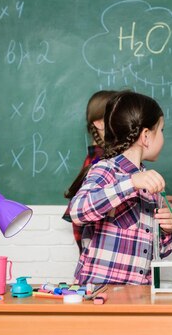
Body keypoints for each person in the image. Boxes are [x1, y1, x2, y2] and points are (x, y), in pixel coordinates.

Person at [69, 91, 172, 285]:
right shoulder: (106, 169)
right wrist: (132, 183)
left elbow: (160, 252)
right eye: (161, 130)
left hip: (139, 294)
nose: (163, 137)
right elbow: (78, 211)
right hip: (100, 293)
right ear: (146, 136)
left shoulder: (150, 183)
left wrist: (168, 229)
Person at [62, 90, 119, 254]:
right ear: (99, 123)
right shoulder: (100, 163)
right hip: (99, 256)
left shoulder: (101, 158)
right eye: (117, 115)